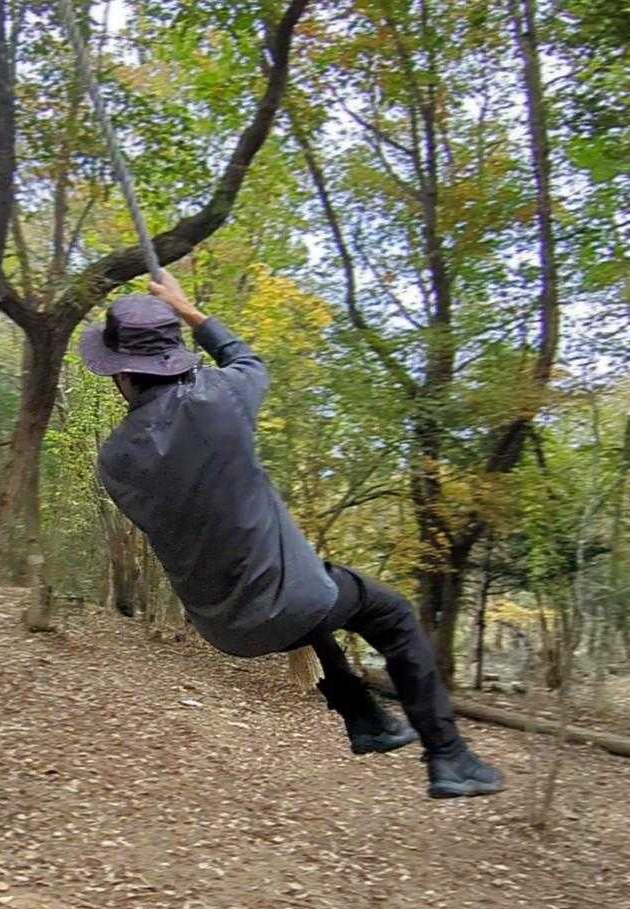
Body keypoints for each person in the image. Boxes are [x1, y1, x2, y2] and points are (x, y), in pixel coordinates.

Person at [80, 271, 504, 799]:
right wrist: (188, 309)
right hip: (288, 602)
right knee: (390, 615)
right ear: (174, 360)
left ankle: (364, 715)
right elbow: (246, 360)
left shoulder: (114, 461)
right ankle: (449, 756)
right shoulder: (220, 398)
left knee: (308, 587)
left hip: (224, 626)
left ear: (120, 374)